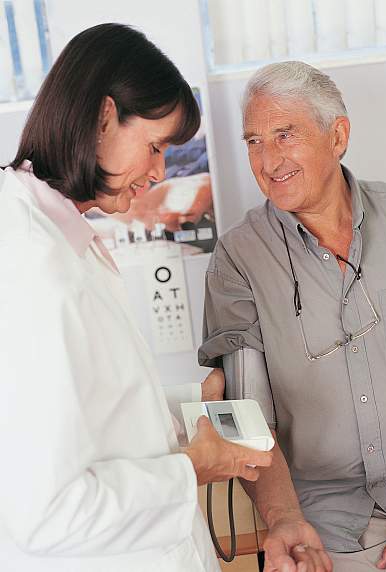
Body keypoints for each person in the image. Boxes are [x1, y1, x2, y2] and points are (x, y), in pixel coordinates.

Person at [0, 23, 273, 572]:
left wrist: (183, 406)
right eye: (154, 146)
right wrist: (192, 467)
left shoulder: (62, 236)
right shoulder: (32, 264)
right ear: (102, 117)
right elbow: (47, 512)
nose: (158, 172)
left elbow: (92, 409)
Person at [199, 60, 386, 572]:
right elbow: (245, 410)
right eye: (253, 141)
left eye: (285, 134)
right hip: (323, 525)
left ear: (337, 135)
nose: (268, 159)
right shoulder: (237, 258)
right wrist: (282, 520)